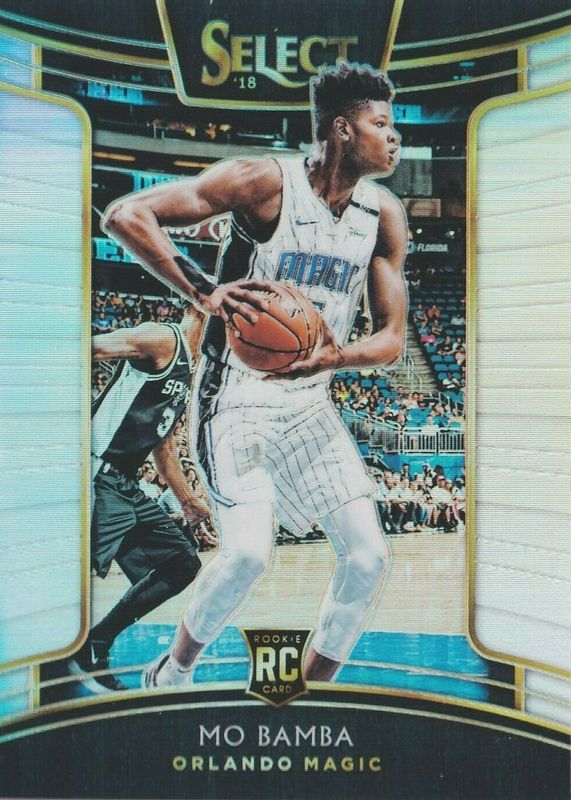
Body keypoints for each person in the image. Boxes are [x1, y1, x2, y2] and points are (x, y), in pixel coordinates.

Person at [102, 62, 408, 686]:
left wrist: (337, 358)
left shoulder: (383, 215)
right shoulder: (264, 181)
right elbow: (126, 215)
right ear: (342, 130)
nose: (393, 137)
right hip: (234, 397)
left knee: (369, 557)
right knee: (245, 556)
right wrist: (204, 291)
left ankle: (311, 691)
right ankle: (174, 670)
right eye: (381, 124)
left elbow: (392, 340)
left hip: (310, 403)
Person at [70, 304, 209, 692]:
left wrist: (188, 501)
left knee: (181, 563)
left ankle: (96, 642)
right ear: (200, 309)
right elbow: (89, 347)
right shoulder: (163, 338)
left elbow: (163, 448)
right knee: (68, 575)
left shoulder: (190, 372)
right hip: (95, 469)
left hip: (124, 484)